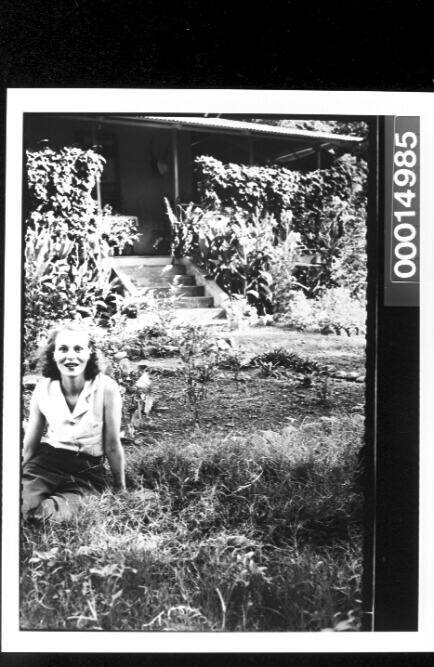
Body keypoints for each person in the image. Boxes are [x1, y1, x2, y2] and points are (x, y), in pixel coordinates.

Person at [22, 322, 126, 522]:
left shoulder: (106, 388)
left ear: (89, 352)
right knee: (17, 507)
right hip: (46, 464)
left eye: (78, 349)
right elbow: (30, 445)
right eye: (63, 349)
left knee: (48, 516)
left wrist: (120, 489)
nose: (71, 356)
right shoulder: (43, 389)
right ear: (53, 354)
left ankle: (53, 504)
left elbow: (112, 445)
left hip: (86, 471)